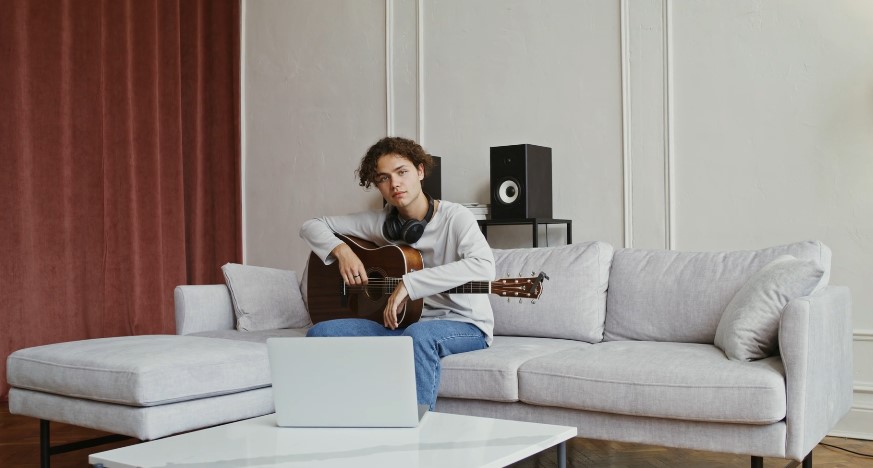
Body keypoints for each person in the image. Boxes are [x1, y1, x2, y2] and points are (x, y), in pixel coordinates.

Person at [300, 136, 495, 410]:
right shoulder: (380, 223)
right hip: (403, 324)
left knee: (419, 336)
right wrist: (342, 251)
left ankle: (415, 433)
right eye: (383, 178)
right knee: (321, 334)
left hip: (463, 324)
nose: (394, 184)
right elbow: (311, 226)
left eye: (402, 172)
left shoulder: (456, 217)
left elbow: (483, 265)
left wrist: (410, 283)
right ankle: (338, 419)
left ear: (420, 171)